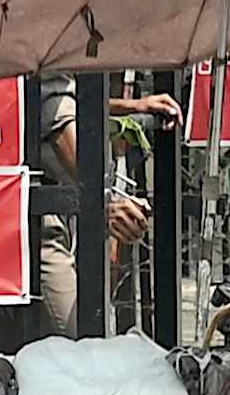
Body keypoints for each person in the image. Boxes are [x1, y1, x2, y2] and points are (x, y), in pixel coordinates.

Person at [23, 75, 171, 337]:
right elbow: (56, 113)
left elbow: (72, 101)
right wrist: (105, 201)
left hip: (57, 208)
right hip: (37, 216)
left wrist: (132, 106)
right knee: (82, 338)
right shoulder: (52, 45)